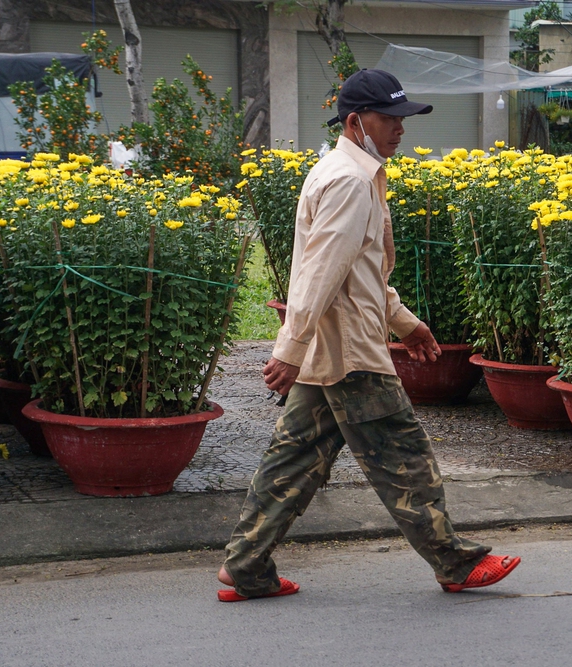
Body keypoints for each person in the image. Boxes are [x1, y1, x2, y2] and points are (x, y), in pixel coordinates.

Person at [216, 69, 520, 602]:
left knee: (293, 460)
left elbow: (360, 271)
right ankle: (453, 563)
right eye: (390, 119)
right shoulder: (350, 181)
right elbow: (320, 272)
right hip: (350, 353)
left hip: (331, 348)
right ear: (356, 123)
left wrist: (405, 322)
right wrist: (289, 349)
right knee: (405, 456)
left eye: (403, 118)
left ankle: (245, 567)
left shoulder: (348, 171)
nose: (401, 129)